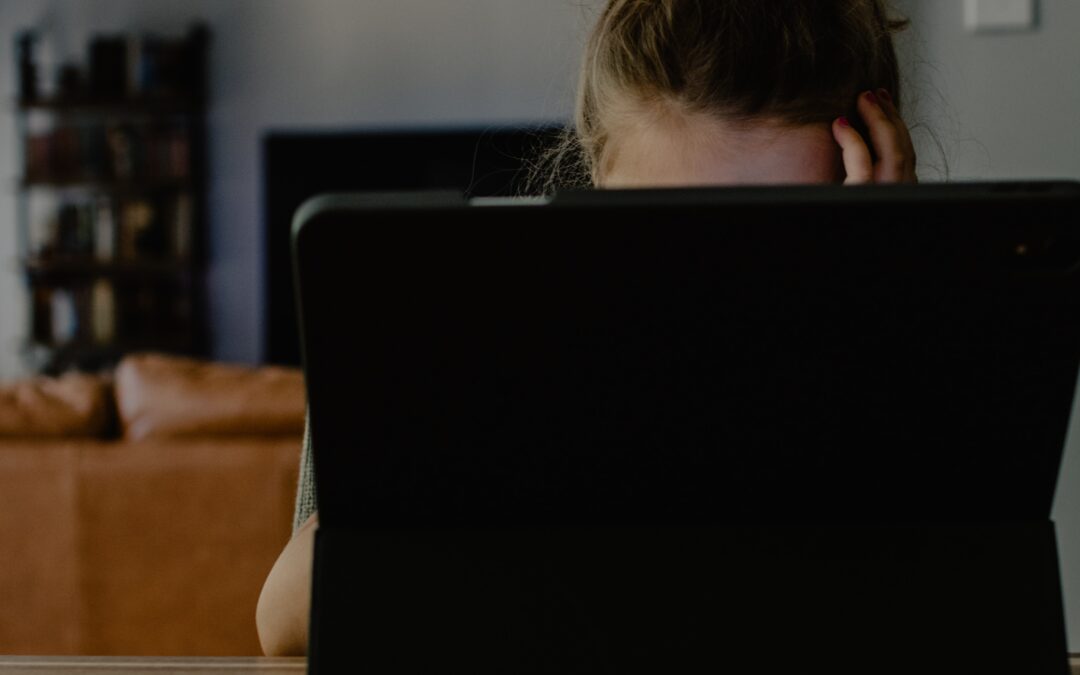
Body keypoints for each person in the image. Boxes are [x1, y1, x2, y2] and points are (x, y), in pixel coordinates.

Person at [256, 0, 918, 656]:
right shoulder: (492, 345)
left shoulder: (898, 354)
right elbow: (284, 623)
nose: (706, 287)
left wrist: (854, 303)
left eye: (775, 239)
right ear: (599, 178)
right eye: (660, 236)